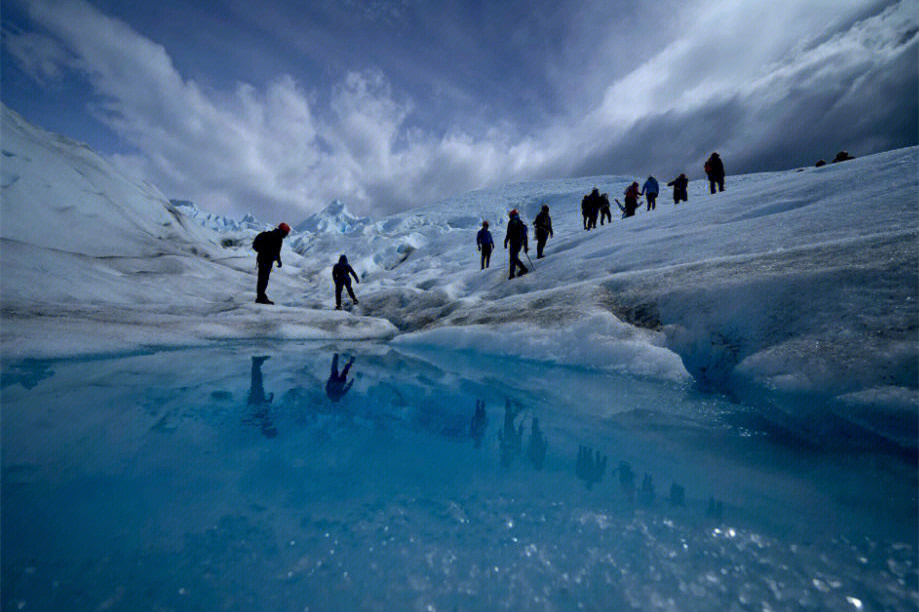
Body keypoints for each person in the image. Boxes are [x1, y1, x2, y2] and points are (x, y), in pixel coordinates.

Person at [252, 222, 290, 304]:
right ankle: (261, 297)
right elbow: (276, 251)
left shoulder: (269, 235)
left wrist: (263, 253)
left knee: (262, 278)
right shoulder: (277, 238)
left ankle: (261, 296)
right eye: (286, 233)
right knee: (264, 278)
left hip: (262, 259)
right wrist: (278, 260)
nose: (286, 235)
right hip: (267, 260)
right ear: (283, 232)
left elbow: (275, 251)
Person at [504, 209, 528, 279]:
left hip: (515, 243)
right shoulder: (519, 223)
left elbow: (509, 233)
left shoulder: (513, 223)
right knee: (513, 258)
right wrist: (525, 246)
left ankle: (523, 269)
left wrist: (506, 241)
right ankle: (512, 274)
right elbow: (524, 236)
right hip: (517, 243)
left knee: (513, 258)